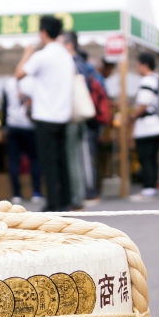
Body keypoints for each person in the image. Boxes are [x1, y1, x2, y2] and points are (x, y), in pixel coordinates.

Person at [16, 14, 75, 212]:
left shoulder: (42, 55)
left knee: (48, 161)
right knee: (62, 159)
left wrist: (27, 52)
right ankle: (66, 199)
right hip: (63, 115)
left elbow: (19, 74)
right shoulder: (66, 55)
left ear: (43, 32)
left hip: (45, 116)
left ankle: (54, 203)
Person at [60, 31, 96, 207]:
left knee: (73, 157)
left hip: (73, 116)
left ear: (69, 45)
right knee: (79, 157)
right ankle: (81, 193)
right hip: (80, 115)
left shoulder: (71, 63)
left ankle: (76, 197)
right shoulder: (82, 63)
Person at [131, 52, 159, 202]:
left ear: (144, 65)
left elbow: (143, 104)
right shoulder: (158, 79)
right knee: (153, 157)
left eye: (138, 64)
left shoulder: (147, 80)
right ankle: (152, 186)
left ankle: (148, 189)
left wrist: (132, 116)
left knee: (145, 157)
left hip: (148, 126)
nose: (137, 67)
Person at [1, 76, 42, 203]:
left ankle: (16, 193)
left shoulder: (8, 82)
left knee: (14, 161)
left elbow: (4, 106)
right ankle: (36, 192)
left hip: (13, 124)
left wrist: (4, 126)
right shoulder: (34, 81)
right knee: (34, 160)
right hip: (30, 126)